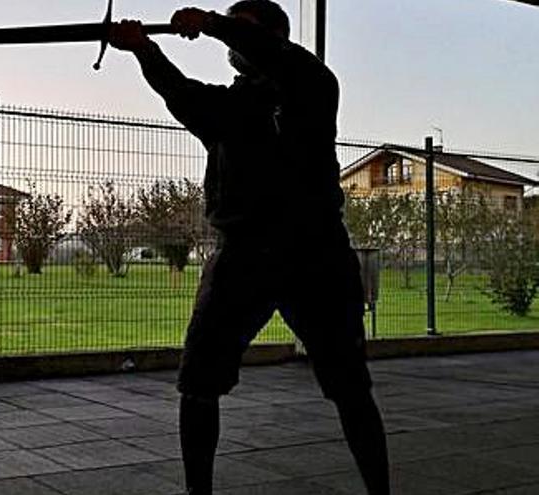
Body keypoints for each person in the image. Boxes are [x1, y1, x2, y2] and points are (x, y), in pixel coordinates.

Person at [108, 2, 390, 494]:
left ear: (264, 35)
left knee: (350, 386)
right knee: (197, 383)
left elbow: (269, 52)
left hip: (314, 252)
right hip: (242, 253)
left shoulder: (311, 82)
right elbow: (182, 94)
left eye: (242, 26)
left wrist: (212, 24)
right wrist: (144, 50)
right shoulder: (232, 106)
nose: (232, 44)